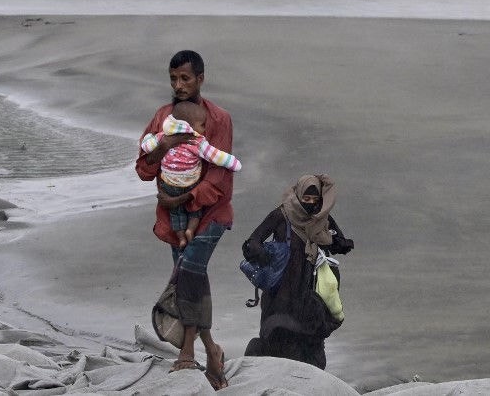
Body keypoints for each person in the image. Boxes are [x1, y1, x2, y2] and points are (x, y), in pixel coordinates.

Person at [136, 50, 233, 390]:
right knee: (189, 276)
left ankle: (189, 351)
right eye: (174, 79)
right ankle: (213, 350)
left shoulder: (218, 119)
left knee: (190, 272)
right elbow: (144, 169)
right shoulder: (163, 119)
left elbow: (219, 177)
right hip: (174, 216)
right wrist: (164, 147)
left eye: (185, 78)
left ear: (201, 79)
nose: (179, 85)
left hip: (212, 212)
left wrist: (182, 197)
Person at [241, 174, 354, 369]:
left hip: (308, 293)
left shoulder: (322, 219)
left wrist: (332, 241)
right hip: (280, 292)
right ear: (298, 196)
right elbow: (252, 242)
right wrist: (267, 257)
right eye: (306, 200)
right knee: (275, 337)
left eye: (315, 200)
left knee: (310, 344)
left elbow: (340, 245)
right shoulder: (281, 215)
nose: (310, 204)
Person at [140, 100, 242, 248]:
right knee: (195, 209)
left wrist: (149, 137)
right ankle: (190, 230)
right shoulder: (196, 142)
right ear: (189, 127)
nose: (204, 128)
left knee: (175, 213)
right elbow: (215, 156)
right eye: (201, 125)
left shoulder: (163, 137)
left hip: (168, 183)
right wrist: (234, 163)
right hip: (189, 183)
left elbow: (147, 146)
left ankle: (181, 237)